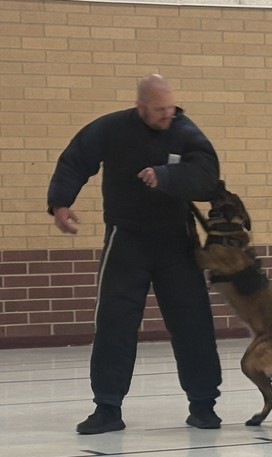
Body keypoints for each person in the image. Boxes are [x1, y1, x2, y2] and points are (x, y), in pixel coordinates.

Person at [47, 74, 224, 434]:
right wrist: (60, 203)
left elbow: (207, 176)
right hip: (126, 239)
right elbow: (75, 159)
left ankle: (203, 405)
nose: (167, 114)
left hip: (176, 241)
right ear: (140, 106)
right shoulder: (111, 128)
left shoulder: (184, 131)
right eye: (159, 110)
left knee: (193, 322)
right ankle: (107, 408)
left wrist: (166, 176)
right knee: (114, 322)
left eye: (171, 108)